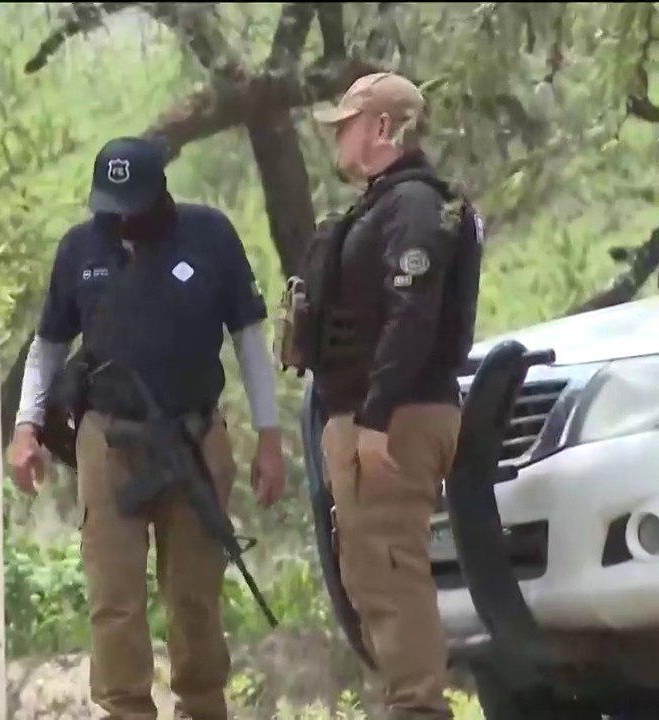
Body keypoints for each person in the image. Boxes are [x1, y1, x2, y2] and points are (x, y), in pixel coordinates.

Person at [6, 136, 286, 720]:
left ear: (159, 193)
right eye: (110, 205)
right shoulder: (80, 247)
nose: (121, 217)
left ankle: (202, 706)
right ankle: (126, 710)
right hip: (108, 441)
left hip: (193, 439)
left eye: (131, 204)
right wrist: (26, 426)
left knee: (194, 595)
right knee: (114, 599)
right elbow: (48, 346)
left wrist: (269, 437)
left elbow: (249, 341)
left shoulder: (209, 236)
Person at [303, 72, 483, 719]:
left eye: (346, 124)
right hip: (377, 414)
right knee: (375, 573)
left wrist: (376, 417)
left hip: (394, 419)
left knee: (389, 570)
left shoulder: (413, 207)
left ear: (382, 127)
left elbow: (413, 314)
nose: (336, 137)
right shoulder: (389, 205)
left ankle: (418, 711)